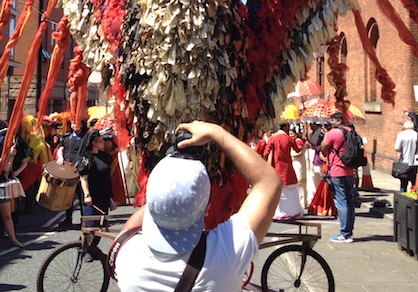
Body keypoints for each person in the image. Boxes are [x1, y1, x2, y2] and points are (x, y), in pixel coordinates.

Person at [114, 121, 282, 291]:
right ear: (207, 207)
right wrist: (217, 132)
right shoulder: (226, 255)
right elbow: (269, 182)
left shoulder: (125, 256)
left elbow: (128, 230)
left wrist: (165, 196)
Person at [321, 112, 356, 243]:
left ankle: (344, 234)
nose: (331, 123)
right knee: (349, 201)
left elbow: (324, 146)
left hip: (337, 170)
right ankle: (349, 231)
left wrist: (327, 137)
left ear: (339, 121)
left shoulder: (334, 133)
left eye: (333, 120)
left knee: (341, 202)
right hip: (349, 171)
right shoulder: (350, 131)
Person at [263, 122, 303, 220]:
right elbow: (297, 149)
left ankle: (280, 213)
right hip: (288, 168)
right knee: (292, 190)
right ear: (285, 127)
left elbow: (265, 153)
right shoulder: (289, 138)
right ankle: (293, 211)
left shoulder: (273, 138)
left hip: (278, 168)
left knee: (279, 191)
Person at [56, 120, 89, 228]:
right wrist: (60, 157)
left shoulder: (85, 137)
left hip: (80, 169)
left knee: (81, 195)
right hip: (68, 170)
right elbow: (61, 148)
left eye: (78, 123)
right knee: (67, 195)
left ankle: (84, 219)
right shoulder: (66, 138)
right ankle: (67, 218)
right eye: (74, 123)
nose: (76, 126)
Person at [78, 129, 114, 216]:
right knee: (92, 226)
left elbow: (106, 178)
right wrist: (87, 195)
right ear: (94, 143)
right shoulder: (86, 159)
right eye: (101, 141)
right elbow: (83, 178)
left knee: (103, 226)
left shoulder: (103, 156)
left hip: (103, 197)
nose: (104, 143)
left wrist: (110, 198)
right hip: (92, 199)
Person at [394, 121, 418, 192]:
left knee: (403, 184)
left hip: (405, 163)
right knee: (415, 185)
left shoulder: (401, 135)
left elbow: (397, 148)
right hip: (416, 164)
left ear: (404, 127)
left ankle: (403, 200)